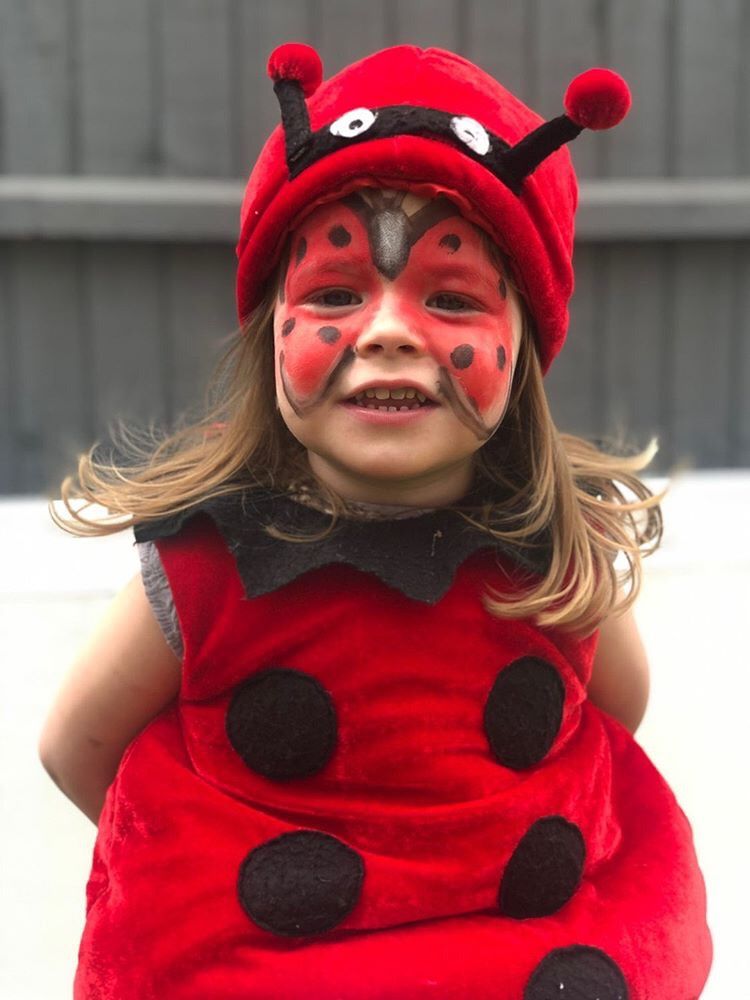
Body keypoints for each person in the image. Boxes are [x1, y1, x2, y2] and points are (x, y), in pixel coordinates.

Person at [39, 43, 712, 999]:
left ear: (522, 348)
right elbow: (80, 750)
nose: (390, 330)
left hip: (519, 957)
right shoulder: (208, 563)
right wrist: (206, 872)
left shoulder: (559, 553)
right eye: (337, 294)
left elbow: (610, 716)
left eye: (450, 298)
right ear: (272, 328)